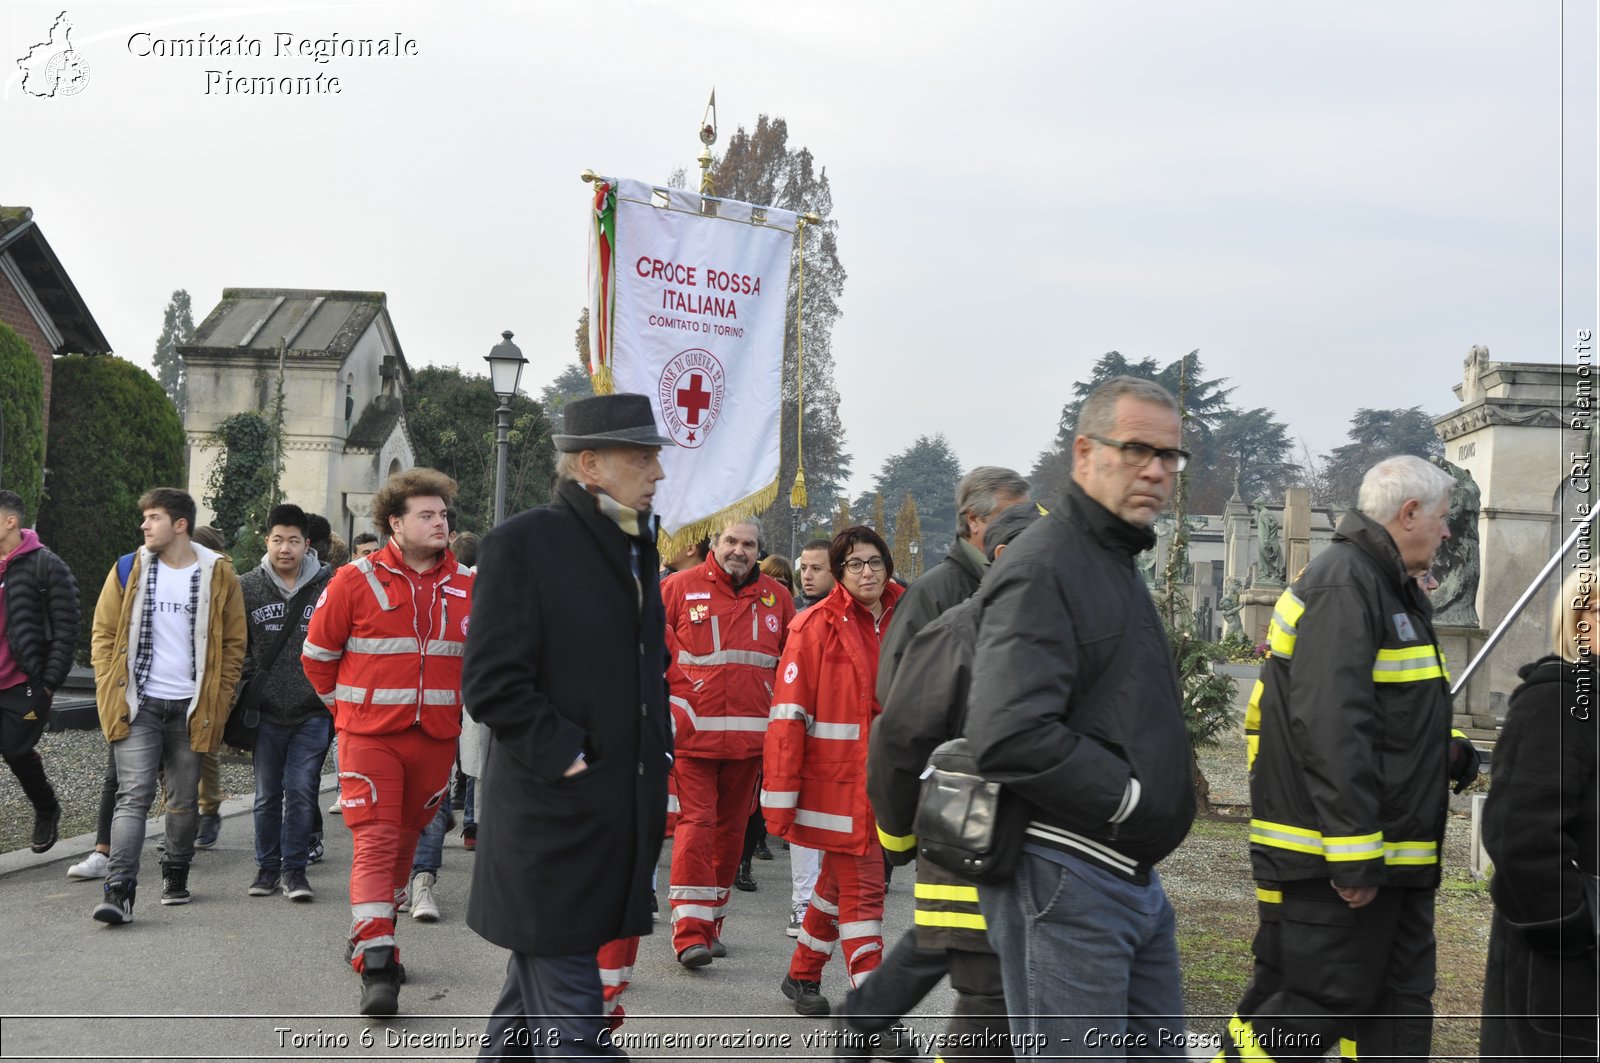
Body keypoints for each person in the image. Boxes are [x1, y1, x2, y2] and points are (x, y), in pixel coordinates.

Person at [1217, 454, 1477, 1061]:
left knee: (1395, 1013)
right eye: (1442, 519)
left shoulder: (1383, 586)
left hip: (1393, 862)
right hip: (1337, 860)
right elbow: (1329, 724)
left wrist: (1441, 753)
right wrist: (1354, 852)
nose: (1447, 533)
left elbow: (1379, 717)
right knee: (1313, 1008)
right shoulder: (1346, 583)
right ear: (1409, 514)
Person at [964, 377, 1197, 1056]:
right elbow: (1006, 730)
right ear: (1085, 452)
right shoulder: (1046, 565)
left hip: (1128, 878)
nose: (1156, 469)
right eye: (1137, 449)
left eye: (1170, 456)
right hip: (1066, 876)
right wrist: (1127, 796)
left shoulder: (1112, 558)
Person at [462, 393, 672, 1059]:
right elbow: (492, 683)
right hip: (549, 828)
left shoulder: (637, 548)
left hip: (610, 816)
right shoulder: (522, 545)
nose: (657, 471)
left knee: (526, 1015)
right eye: (642, 457)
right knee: (577, 1034)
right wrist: (571, 755)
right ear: (591, 464)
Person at [850, 503, 1043, 1062]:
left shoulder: (1049, 631)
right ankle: (859, 1025)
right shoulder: (955, 627)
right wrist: (901, 838)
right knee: (983, 996)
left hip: (1012, 852)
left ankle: (858, 1023)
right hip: (960, 834)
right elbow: (897, 735)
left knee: (951, 959)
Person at [301, 469, 474, 1016]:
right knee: (375, 840)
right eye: (427, 514)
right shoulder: (354, 580)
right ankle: (378, 960)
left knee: (404, 843)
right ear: (394, 523)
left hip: (436, 739)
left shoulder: (470, 586)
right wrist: (350, 714)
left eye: (444, 514)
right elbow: (318, 658)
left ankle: (371, 928)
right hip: (369, 738)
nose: (440, 522)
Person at [89, 487, 247, 923]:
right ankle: (118, 887)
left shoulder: (219, 574)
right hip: (138, 702)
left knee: (182, 800)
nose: (144, 525)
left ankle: (176, 871)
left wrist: (222, 694)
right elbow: (103, 634)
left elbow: (235, 643)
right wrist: (108, 684)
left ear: (180, 524)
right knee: (132, 796)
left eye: (153, 517)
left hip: (192, 706)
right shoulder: (127, 568)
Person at [763, 525, 903, 1016]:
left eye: (875, 562)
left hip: (889, 786)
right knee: (864, 896)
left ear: (888, 565)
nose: (867, 572)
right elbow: (787, 717)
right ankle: (875, 1012)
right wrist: (780, 800)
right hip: (836, 790)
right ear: (841, 573)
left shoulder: (907, 615)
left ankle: (801, 974)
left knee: (835, 887)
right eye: (855, 564)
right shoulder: (813, 626)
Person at [1478, 563, 1598, 1062]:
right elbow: (1519, 833)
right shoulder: (1559, 701)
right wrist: (1575, 924)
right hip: (1565, 966)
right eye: (1591, 608)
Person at [662, 518, 794, 968]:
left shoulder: (779, 598)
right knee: (696, 827)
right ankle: (689, 933)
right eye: (731, 541)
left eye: (749, 544)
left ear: (760, 550)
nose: (739, 550)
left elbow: (789, 669)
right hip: (692, 740)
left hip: (750, 745)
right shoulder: (678, 587)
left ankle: (713, 924)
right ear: (714, 544)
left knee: (732, 834)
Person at [238, 503, 333, 902]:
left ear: (307, 545)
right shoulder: (247, 586)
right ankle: (266, 867)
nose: (285, 548)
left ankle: (294, 872)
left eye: (293, 540)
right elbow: (237, 644)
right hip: (266, 713)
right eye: (278, 539)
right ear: (268, 541)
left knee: (300, 790)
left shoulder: (329, 585)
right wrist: (247, 684)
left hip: (313, 712)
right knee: (265, 794)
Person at [876, 467, 1029, 705]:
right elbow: (894, 687)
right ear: (974, 519)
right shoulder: (928, 594)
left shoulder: (1027, 584)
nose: (1026, 526)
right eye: (1012, 516)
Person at [0, 490, 80, 853]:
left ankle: (47, 808)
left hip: (23, 681)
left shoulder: (45, 565)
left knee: (16, 750)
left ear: (10, 521)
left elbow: (67, 625)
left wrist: (49, 682)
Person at [784, 538, 835, 936]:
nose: (807, 575)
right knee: (802, 826)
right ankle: (803, 903)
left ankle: (825, 904)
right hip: (805, 736)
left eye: (817, 569)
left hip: (842, 743)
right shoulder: (798, 617)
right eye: (804, 568)